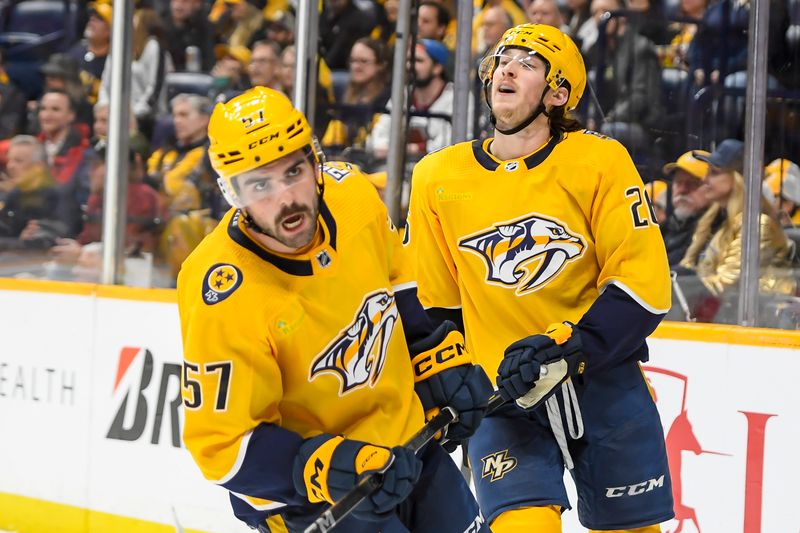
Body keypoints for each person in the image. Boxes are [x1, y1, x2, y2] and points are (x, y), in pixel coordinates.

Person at [177, 87, 492, 533]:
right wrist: (328, 465)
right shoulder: (222, 289)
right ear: (234, 194)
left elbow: (399, 285)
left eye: (294, 171)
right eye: (260, 185)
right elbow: (223, 447)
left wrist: (439, 362)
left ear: (316, 160)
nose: (286, 199)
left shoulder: (353, 196)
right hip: (318, 500)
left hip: (411, 450)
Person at [406, 23, 674, 532]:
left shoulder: (598, 160)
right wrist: (441, 385)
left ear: (557, 93)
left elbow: (643, 285)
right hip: (501, 395)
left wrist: (573, 348)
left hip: (602, 379)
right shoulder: (437, 177)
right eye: (503, 59)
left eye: (527, 64)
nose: (506, 67)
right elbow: (436, 306)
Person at [679, 140, 795, 320]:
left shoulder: (757, 225)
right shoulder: (722, 223)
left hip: (760, 324)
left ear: (738, 178)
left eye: (714, 173)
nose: (705, 180)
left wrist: (680, 281)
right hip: (727, 317)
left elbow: (725, 285)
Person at [659, 150, 711, 266]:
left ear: (712, 188)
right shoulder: (661, 230)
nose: (682, 190)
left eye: (693, 183)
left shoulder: (717, 233)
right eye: (678, 182)